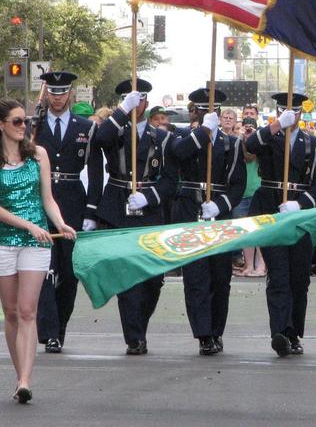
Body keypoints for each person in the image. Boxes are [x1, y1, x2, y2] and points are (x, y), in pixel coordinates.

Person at [0, 98, 75, 404]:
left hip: (37, 241)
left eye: (26, 122)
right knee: (11, 313)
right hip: (2, 239)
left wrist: (60, 222)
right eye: (17, 121)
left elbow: (48, 199)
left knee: (28, 311)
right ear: (1, 124)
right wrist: (27, 225)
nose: (24, 127)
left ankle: (24, 380)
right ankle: (19, 370)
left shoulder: (39, 155)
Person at [94, 79, 177, 355]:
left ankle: (139, 324)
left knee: (153, 278)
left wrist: (149, 196)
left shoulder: (162, 138)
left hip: (149, 210)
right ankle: (134, 336)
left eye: (140, 98)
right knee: (127, 277)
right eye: (131, 99)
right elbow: (100, 138)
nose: (136, 104)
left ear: (147, 102)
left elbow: (170, 180)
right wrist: (120, 112)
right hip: (118, 208)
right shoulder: (115, 130)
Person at [245, 92, 316, 357]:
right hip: (271, 208)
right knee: (278, 274)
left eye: (293, 113)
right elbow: (250, 144)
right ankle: (279, 332)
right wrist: (277, 125)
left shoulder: (313, 143)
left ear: (301, 114)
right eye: (284, 112)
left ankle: (294, 334)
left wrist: (301, 204)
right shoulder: (270, 136)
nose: (291, 116)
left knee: (299, 277)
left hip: (299, 214)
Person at [171, 88, 246, 355]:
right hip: (190, 209)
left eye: (210, 110)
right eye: (201, 110)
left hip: (219, 213)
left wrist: (221, 204)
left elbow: (237, 186)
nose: (206, 114)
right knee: (195, 276)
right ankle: (203, 334)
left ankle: (216, 330)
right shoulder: (183, 136)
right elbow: (179, 153)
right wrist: (203, 133)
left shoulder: (231, 143)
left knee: (219, 276)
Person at [34, 71, 103, 354]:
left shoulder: (86, 127)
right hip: (41, 201)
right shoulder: (34, 126)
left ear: (70, 93)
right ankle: (49, 332)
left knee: (68, 273)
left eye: (62, 92)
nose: (58, 97)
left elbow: (96, 173)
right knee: (43, 269)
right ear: (47, 93)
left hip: (74, 202)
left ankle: (59, 329)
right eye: (53, 92)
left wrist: (91, 211)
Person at [234, 114, 265, 277]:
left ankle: (261, 266)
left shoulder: (260, 144)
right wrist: (241, 137)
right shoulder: (237, 143)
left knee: (259, 231)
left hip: (257, 191)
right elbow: (242, 158)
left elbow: (253, 156)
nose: (247, 130)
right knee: (245, 232)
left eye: (250, 128)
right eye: (245, 127)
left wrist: (254, 138)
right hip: (241, 193)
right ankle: (248, 266)